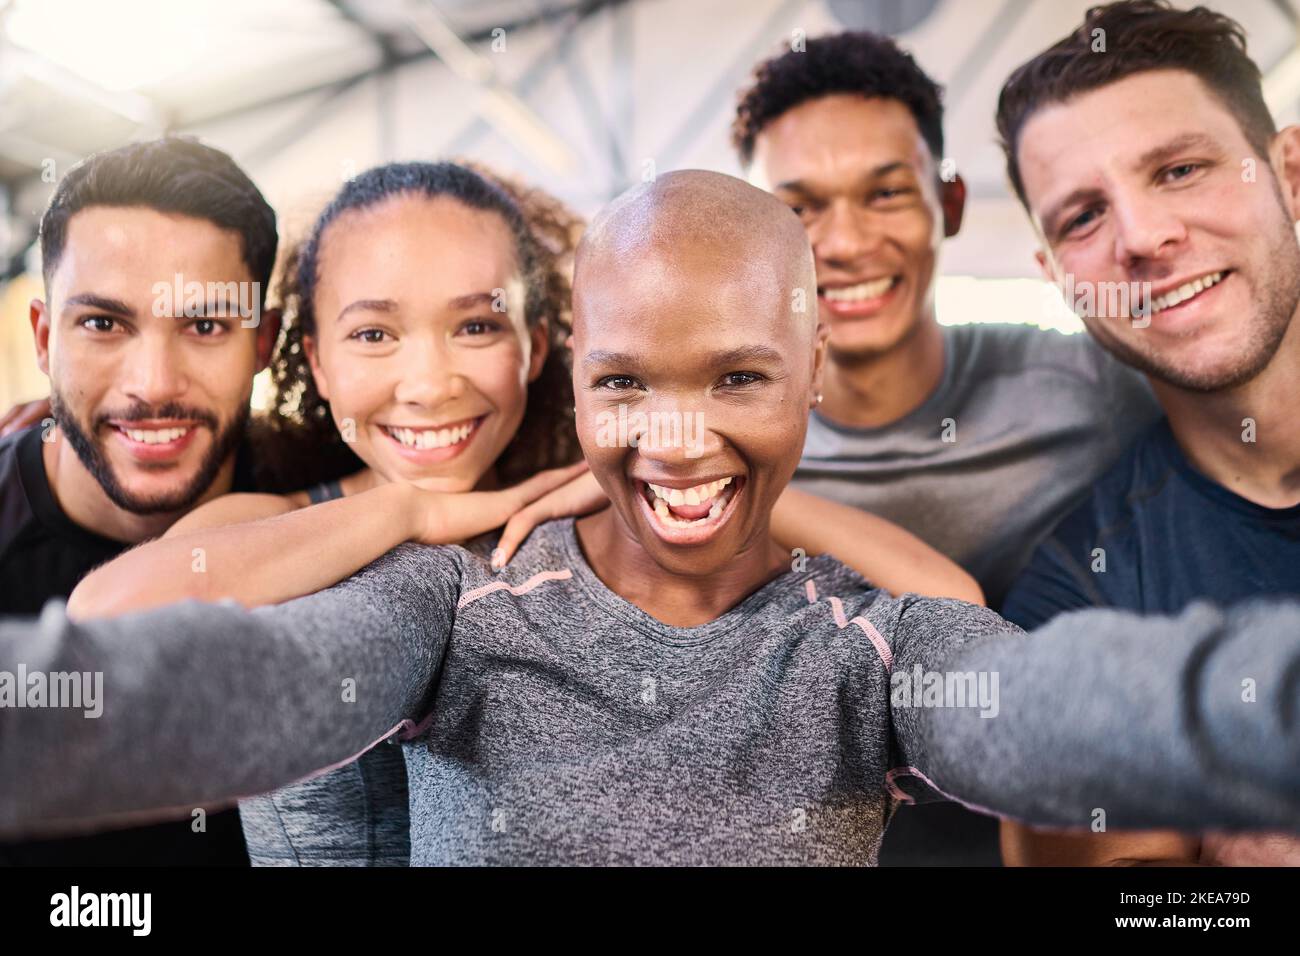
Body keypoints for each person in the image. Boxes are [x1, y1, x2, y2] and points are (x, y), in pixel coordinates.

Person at [3, 172, 1296, 863]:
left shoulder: (862, 637)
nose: (677, 433)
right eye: (631, 385)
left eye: (737, 377)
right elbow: (208, 678)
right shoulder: (442, 585)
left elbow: (1035, 701)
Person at [731, 29, 1161, 865]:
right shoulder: (718, 455)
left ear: (950, 203)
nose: (847, 244)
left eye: (886, 194)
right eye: (799, 208)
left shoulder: (1093, 389)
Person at [996, 0, 1300, 866]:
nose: (1142, 237)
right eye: (1083, 217)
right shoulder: (1077, 601)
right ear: (1057, 277)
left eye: (1179, 170)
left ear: (1289, 171)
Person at [0, 136, 283, 865]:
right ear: (43, 337)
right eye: (102, 323)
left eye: (207, 325)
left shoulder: (334, 490)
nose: (153, 383)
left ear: (265, 343)